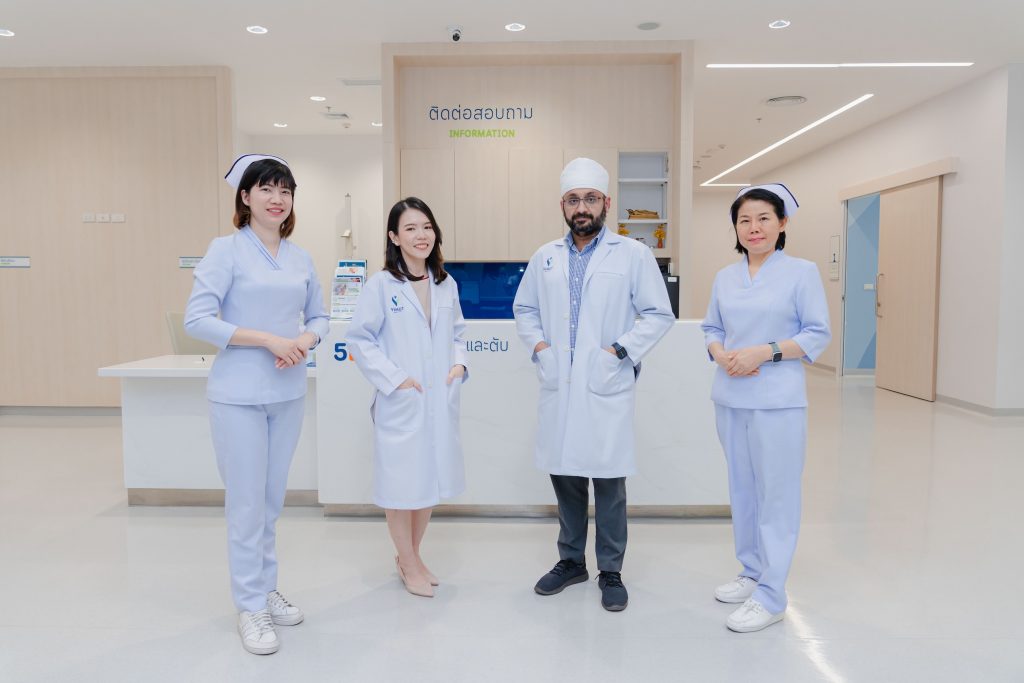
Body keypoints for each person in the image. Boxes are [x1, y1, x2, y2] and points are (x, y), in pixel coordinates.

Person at [512, 158, 674, 612]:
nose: (581, 207)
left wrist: (619, 351)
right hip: (560, 384)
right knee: (564, 476)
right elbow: (524, 310)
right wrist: (541, 348)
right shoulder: (545, 256)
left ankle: (611, 570)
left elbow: (659, 314)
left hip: (606, 381)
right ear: (562, 205)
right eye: (573, 199)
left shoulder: (632, 254)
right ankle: (571, 562)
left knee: (608, 481)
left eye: (590, 199)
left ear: (606, 202)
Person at [184, 154, 328, 654]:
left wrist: (304, 340)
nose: (276, 199)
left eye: (285, 190)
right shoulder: (225, 251)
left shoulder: (300, 257)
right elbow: (198, 319)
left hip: (287, 394)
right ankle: (249, 605)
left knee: (269, 503)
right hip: (238, 396)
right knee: (246, 505)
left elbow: (320, 317)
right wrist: (268, 339)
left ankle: (265, 589)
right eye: (266, 189)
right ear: (245, 197)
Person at [701, 183, 831, 632]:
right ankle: (752, 571)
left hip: (778, 401)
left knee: (777, 495)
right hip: (730, 397)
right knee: (743, 489)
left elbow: (817, 332)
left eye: (763, 218)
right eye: (744, 220)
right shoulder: (725, 277)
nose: (753, 228)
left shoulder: (801, 273)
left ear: (782, 223)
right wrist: (720, 353)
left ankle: (772, 595)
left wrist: (766, 351)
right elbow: (712, 328)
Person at [347, 197, 468, 599]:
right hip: (404, 399)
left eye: (427, 227)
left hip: (438, 399)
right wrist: (395, 380)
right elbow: (360, 340)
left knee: (427, 483)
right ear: (394, 237)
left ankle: (411, 557)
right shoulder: (382, 286)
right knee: (402, 488)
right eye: (411, 228)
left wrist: (459, 365)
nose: (421, 235)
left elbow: (459, 333)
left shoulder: (445, 283)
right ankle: (409, 561)